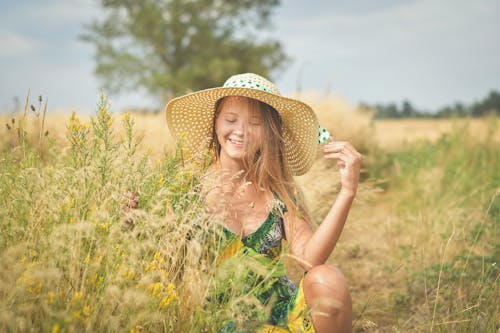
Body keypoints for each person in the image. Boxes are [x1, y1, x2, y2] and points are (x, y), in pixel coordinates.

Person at [165, 73, 362, 333]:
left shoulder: (278, 192)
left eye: (255, 123)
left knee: (328, 279)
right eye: (231, 120)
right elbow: (162, 264)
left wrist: (347, 191)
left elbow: (310, 260)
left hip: (278, 316)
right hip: (213, 321)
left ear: (269, 132)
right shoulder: (187, 189)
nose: (241, 132)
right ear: (215, 123)